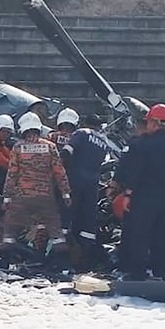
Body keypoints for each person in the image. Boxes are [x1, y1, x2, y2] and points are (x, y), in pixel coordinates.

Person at [115, 103, 165, 281]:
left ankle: (138, 273)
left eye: (148, 122)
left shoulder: (141, 145)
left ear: (154, 123)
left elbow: (135, 172)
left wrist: (128, 195)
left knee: (140, 235)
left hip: (143, 198)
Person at [0, 111, 71, 255]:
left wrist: (7, 197)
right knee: (54, 229)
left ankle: (7, 259)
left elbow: (12, 174)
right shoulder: (50, 147)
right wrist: (66, 193)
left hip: (22, 197)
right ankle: (58, 261)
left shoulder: (18, 148)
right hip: (46, 197)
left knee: (10, 229)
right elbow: (59, 171)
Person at [63, 113, 112, 266]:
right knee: (87, 218)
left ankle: (62, 255)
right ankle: (86, 257)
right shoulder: (104, 141)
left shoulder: (82, 133)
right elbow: (104, 163)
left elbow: (67, 151)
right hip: (93, 183)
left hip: (75, 178)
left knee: (67, 213)